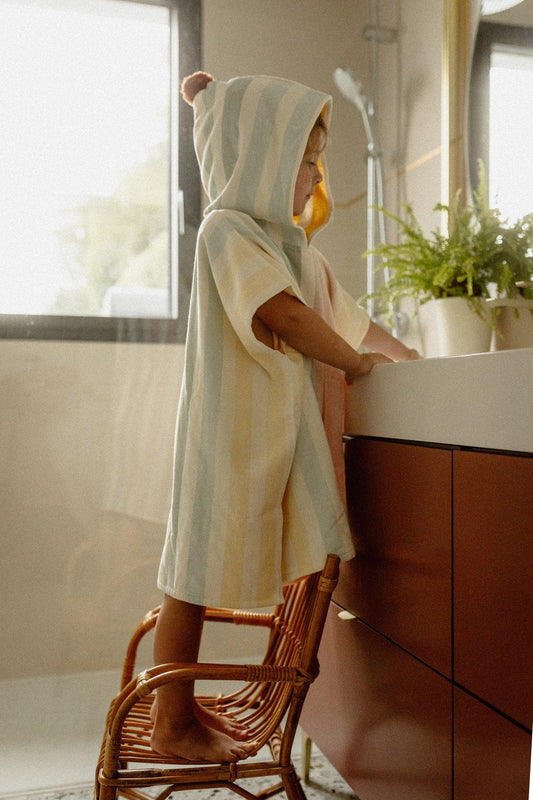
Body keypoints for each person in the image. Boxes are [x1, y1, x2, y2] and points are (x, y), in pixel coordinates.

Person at [151, 72, 420, 764]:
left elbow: (345, 316)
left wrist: (407, 357)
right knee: (190, 575)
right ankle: (169, 721)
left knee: (209, 570)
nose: (316, 177)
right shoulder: (228, 229)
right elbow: (285, 315)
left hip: (267, 440)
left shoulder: (294, 249)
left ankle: (182, 710)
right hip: (223, 435)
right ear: (258, 159)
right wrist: (358, 366)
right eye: (305, 161)